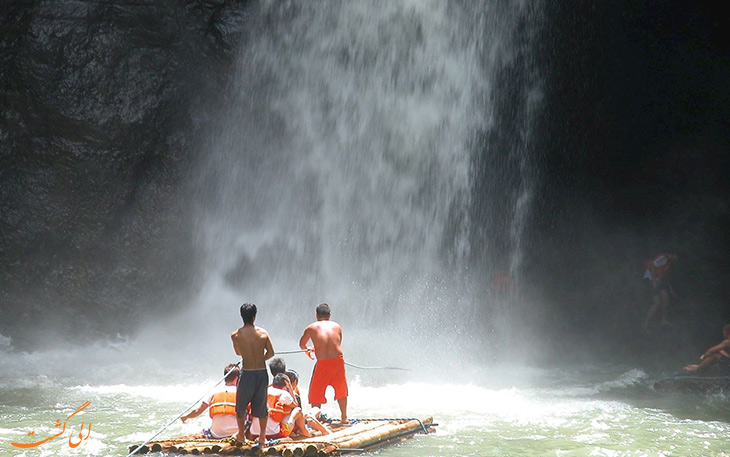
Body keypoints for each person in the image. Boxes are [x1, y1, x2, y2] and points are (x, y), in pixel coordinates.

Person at [231, 302, 275, 446]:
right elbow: (271, 353)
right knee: (262, 406)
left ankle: (241, 435)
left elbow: (238, 353)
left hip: (247, 373)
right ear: (254, 316)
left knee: (241, 405)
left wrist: (248, 356)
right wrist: (259, 358)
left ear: (241, 316)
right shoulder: (263, 333)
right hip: (261, 373)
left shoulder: (236, 335)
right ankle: (262, 437)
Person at [298, 303, 348, 423]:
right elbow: (337, 342)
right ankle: (344, 418)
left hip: (323, 362)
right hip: (338, 360)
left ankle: (315, 420)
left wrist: (309, 349)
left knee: (316, 391)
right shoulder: (337, 326)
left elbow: (302, 344)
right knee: (341, 388)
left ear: (316, 315)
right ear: (329, 315)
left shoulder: (311, 327)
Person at [250, 373, 330, 439]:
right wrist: (290, 388)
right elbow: (296, 406)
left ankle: (303, 431)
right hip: (275, 433)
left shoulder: (263, 392)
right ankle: (304, 431)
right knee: (298, 410)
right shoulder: (283, 394)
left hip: (254, 433)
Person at [180, 364, 240, 438]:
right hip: (235, 433)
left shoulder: (214, 391)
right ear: (237, 378)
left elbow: (198, 411)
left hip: (216, 434)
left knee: (204, 430)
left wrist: (186, 417)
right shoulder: (241, 392)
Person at [642, 253, 678, 329]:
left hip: (658, 281)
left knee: (666, 298)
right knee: (657, 302)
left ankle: (663, 320)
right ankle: (645, 323)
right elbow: (652, 265)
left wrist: (671, 290)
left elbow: (665, 278)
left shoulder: (669, 264)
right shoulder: (664, 258)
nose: (676, 258)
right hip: (650, 279)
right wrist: (654, 281)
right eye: (675, 256)